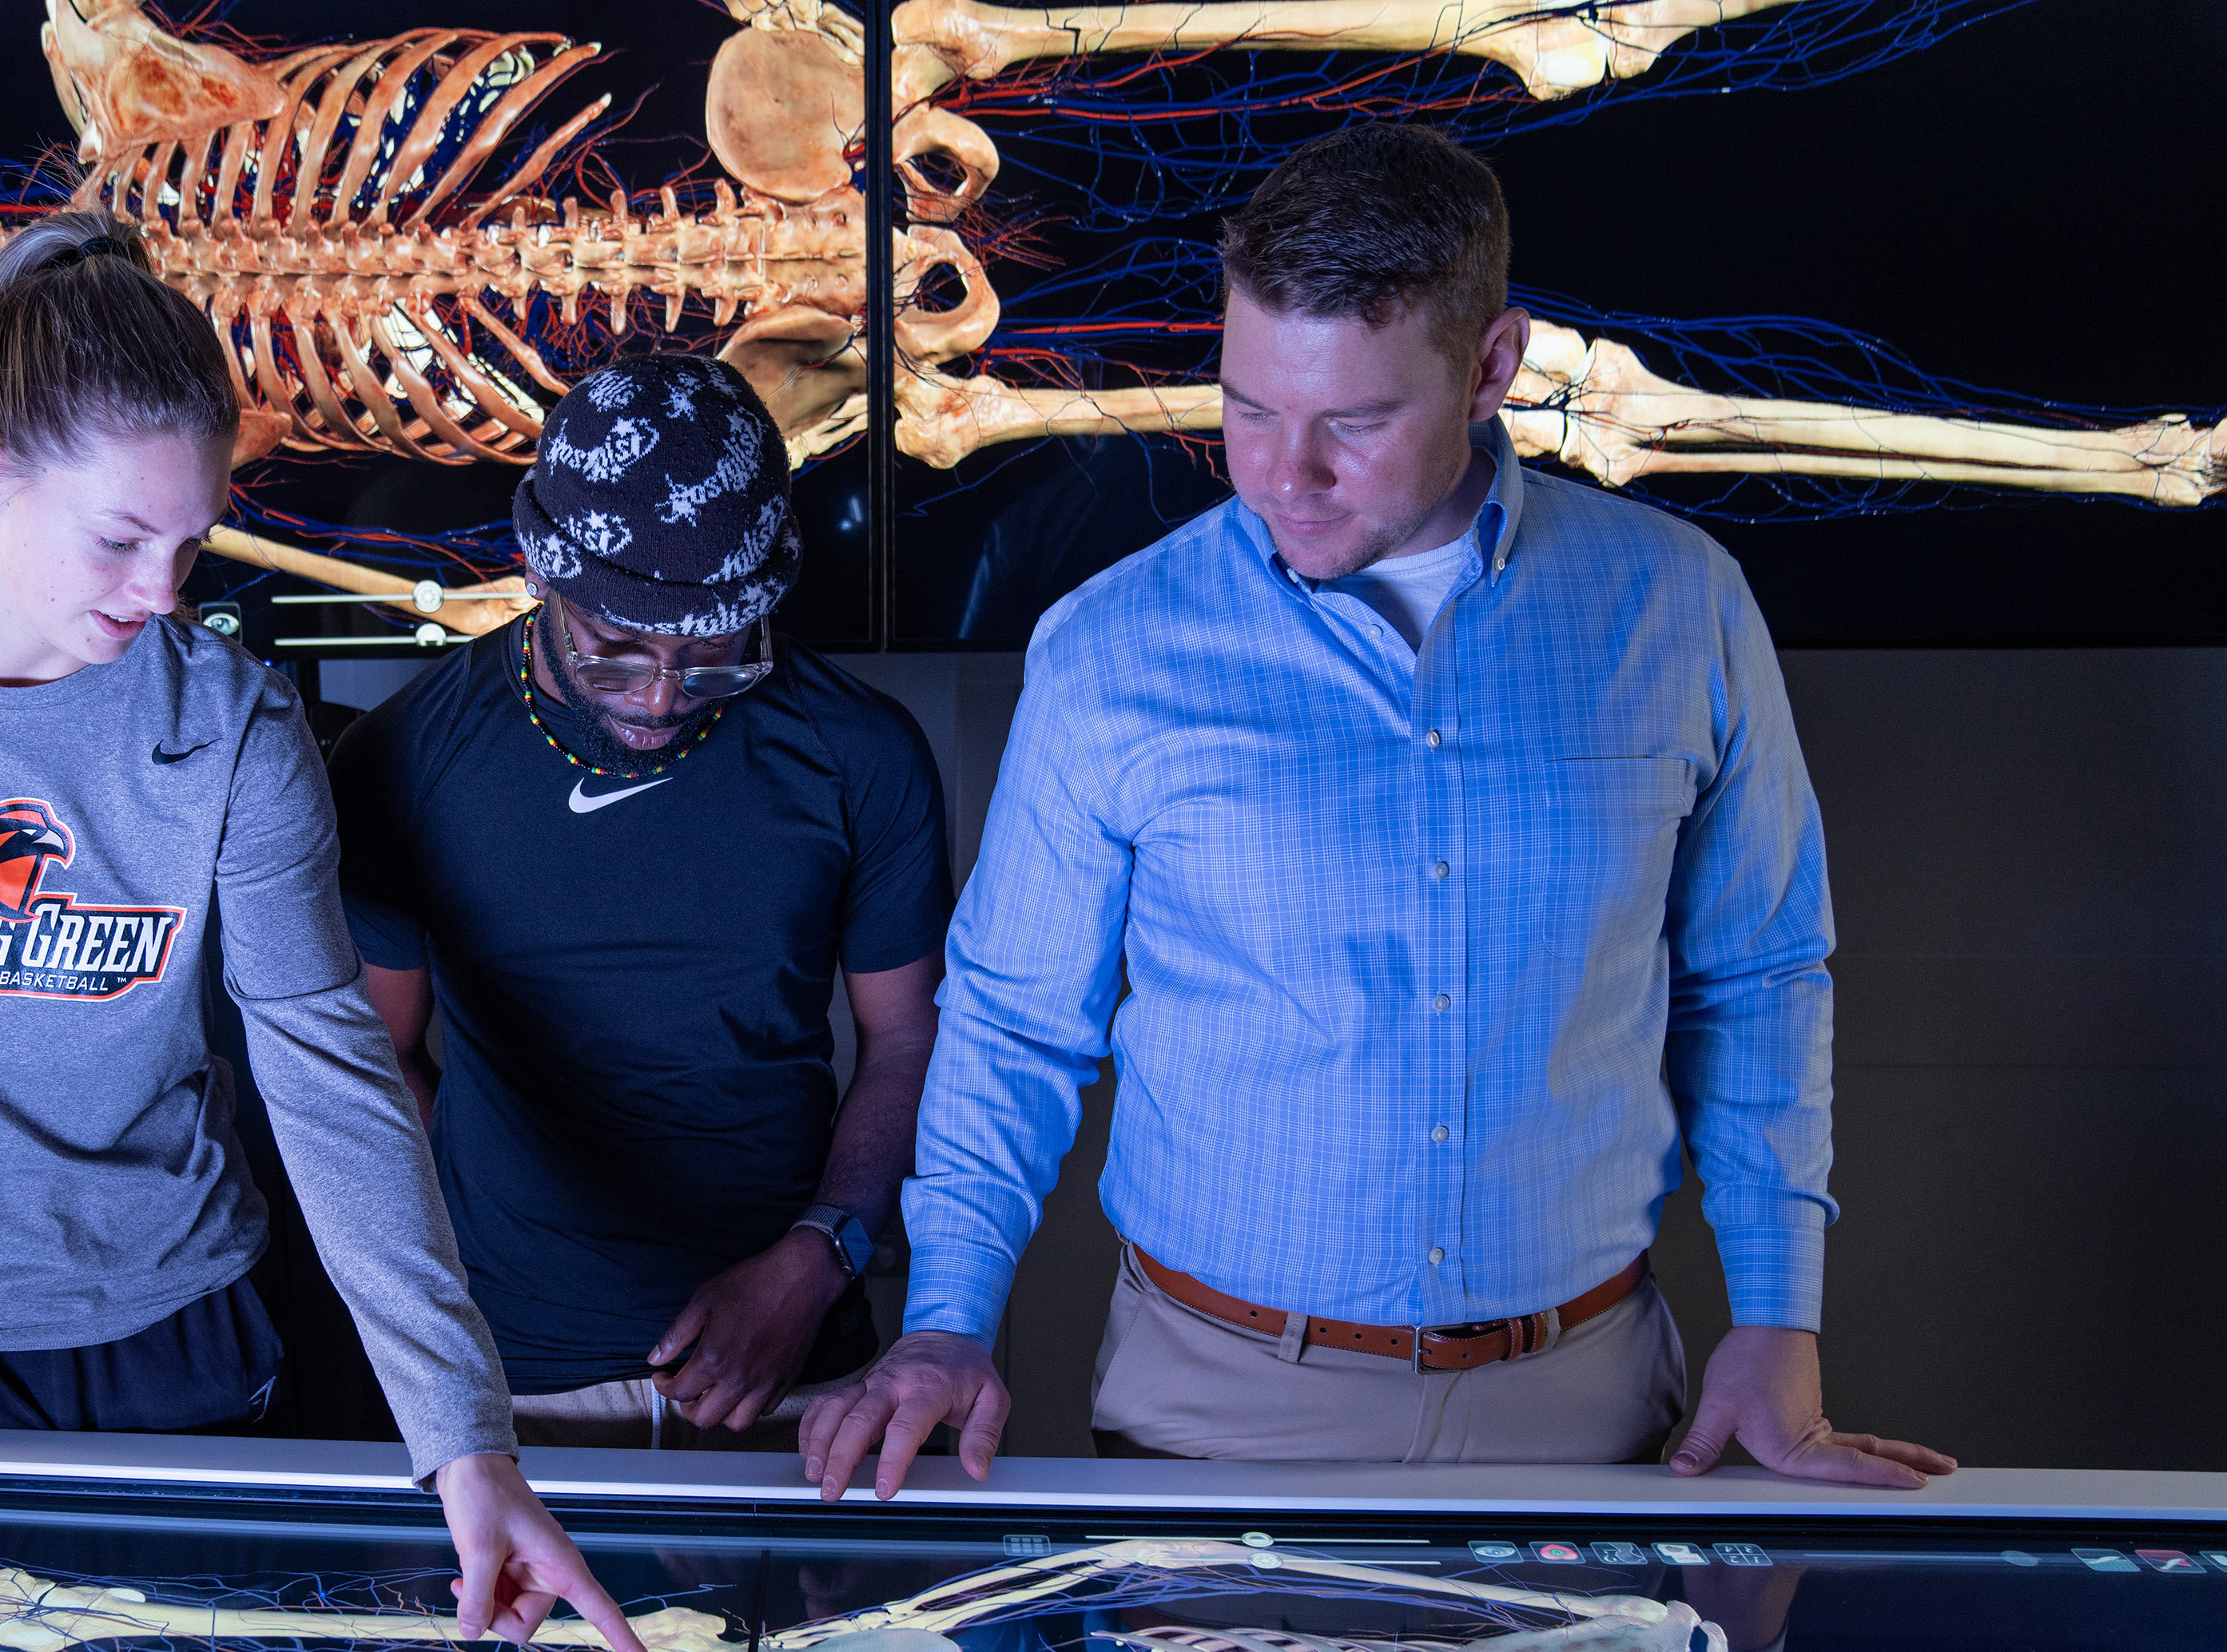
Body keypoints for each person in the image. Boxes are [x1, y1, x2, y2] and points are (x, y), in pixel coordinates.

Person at [804, 123, 1957, 1501]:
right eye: (1244, 407)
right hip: (1214, 1413)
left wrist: (1778, 1318)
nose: (1282, 474)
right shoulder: (1113, 647)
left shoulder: (1681, 605)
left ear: (1490, 366)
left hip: (1586, 1406)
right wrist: (945, 1324)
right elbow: (1011, 1024)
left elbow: (1759, 975)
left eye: (1353, 423)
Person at [0, 212, 648, 1652]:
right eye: (121, 537)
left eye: (191, 543)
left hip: (179, 1346)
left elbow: (330, 1078)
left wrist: (466, 1445)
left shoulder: (230, 728)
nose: (163, 596)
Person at [329, 354, 950, 1450]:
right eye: (616, 655)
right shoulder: (405, 759)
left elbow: (906, 1043)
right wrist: (489, 1234)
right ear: (541, 578)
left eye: (714, 657)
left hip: (799, 1374)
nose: (663, 699)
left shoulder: (862, 756)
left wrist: (821, 1254)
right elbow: (374, 1058)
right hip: (507, 1381)